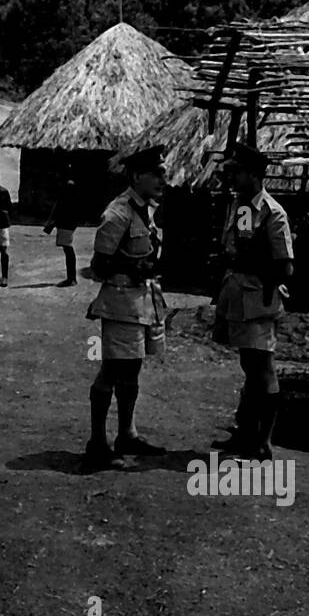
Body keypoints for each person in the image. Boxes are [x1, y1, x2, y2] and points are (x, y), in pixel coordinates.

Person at [82, 147, 170, 472]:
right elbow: (98, 265)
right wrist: (134, 268)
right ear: (137, 176)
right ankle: (97, 444)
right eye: (157, 173)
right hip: (120, 303)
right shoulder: (117, 213)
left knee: (132, 369)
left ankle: (126, 434)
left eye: (164, 172)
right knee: (113, 370)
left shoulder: (145, 209)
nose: (164, 178)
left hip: (140, 301)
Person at [212, 143, 294, 461]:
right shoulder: (240, 206)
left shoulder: (273, 213)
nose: (231, 178)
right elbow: (233, 245)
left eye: (239, 173)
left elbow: (285, 266)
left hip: (260, 296)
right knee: (249, 364)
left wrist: (249, 260)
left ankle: (262, 441)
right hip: (237, 294)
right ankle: (245, 432)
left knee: (263, 368)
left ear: (256, 176)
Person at [43, 165, 80, 287]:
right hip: (67, 221)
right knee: (67, 248)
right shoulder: (68, 186)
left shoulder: (68, 187)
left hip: (67, 221)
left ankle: (71, 278)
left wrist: (54, 222)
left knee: (67, 248)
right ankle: (71, 277)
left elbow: (63, 207)